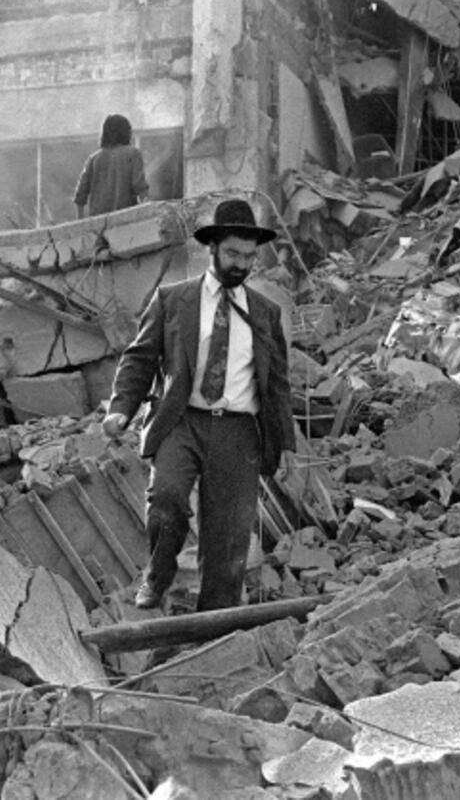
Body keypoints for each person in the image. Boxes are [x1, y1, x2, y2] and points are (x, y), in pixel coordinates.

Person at [102, 198, 296, 611]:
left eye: (249, 256)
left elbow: (277, 385)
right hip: (182, 420)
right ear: (213, 249)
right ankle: (157, 575)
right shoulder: (173, 300)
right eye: (233, 254)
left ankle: (215, 626)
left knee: (228, 539)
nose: (241, 264)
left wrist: (286, 446)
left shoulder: (265, 313)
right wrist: (121, 407)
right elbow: (140, 358)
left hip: (239, 432)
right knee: (166, 500)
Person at [74, 114, 150, 219]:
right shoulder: (133, 154)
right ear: (126, 132)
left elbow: (80, 196)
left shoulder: (94, 159)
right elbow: (140, 188)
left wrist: (81, 224)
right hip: (126, 221)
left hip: (98, 226)